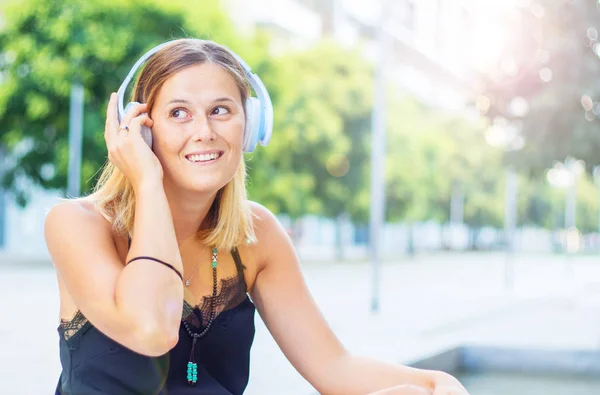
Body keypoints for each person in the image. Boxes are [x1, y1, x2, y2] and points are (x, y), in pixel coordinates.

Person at [45, 38, 470, 395]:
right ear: (139, 128)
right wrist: (147, 182)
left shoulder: (256, 234)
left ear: (249, 127)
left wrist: (435, 383)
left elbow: (334, 366)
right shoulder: (77, 224)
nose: (204, 131)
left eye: (220, 110)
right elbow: (150, 329)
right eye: (178, 113)